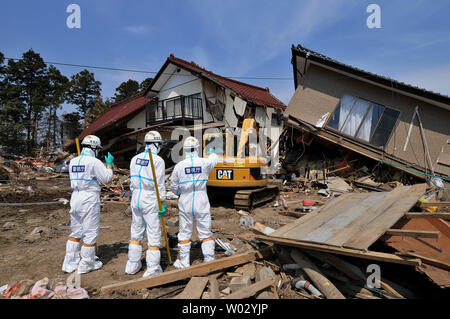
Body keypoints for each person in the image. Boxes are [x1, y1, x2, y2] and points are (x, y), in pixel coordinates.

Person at [62, 135, 114, 274]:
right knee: (90, 232)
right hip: (88, 198)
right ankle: (86, 264)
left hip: (76, 196)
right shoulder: (94, 162)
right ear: (94, 148)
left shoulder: (73, 161)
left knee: (76, 231)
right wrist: (109, 165)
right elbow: (107, 178)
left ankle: (69, 264)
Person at [170, 136, 219, 269]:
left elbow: (174, 186)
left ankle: (184, 262)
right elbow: (214, 160)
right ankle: (209, 260)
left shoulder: (179, 166)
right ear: (197, 148)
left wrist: (180, 192)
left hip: (185, 199)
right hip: (201, 197)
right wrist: (213, 152)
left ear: (184, 150)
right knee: (205, 230)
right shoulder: (204, 163)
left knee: (185, 231)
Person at [125, 131, 166, 277]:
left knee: (136, 231)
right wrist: (162, 202)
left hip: (136, 197)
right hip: (150, 198)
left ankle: (132, 265)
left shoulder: (134, 159)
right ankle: (153, 268)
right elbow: (159, 185)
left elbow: (131, 182)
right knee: (154, 232)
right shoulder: (157, 161)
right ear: (156, 144)